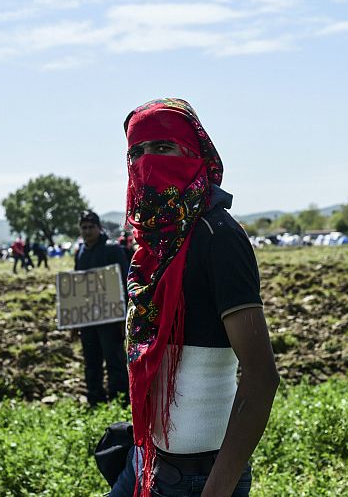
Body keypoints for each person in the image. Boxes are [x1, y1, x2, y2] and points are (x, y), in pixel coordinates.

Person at [110, 99, 279, 497]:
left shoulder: (218, 236)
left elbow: (261, 376)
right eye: (136, 152)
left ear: (194, 153)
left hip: (201, 479)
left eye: (162, 147)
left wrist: (217, 488)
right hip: (149, 462)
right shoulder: (153, 248)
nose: (146, 161)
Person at [76, 210, 130, 406]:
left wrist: (123, 318)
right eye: (84, 227)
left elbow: (124, 282)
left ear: (99, 228)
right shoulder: (80, 252)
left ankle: (120, 399)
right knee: (91, 361)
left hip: (110, 318)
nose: (88, 231)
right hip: (88, 319)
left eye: (91, 227)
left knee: (114, 360)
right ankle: (95, 399)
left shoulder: (112, 249)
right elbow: (77, 288)